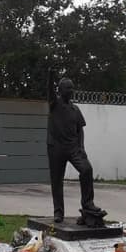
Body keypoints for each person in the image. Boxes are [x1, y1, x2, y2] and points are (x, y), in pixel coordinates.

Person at [46, 72, 104, 224]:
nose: (71, 91)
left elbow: (80, 130)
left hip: (73, 148)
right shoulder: (54, 104)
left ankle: (87, 204)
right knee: (57, 180)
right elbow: (49, 92)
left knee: (86, 169)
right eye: (68, 88)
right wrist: (50, 75)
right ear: (60, 90)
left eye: (72, 88)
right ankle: (58, 212)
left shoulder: (76, 110)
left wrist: (81, 148)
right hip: (56, 148)